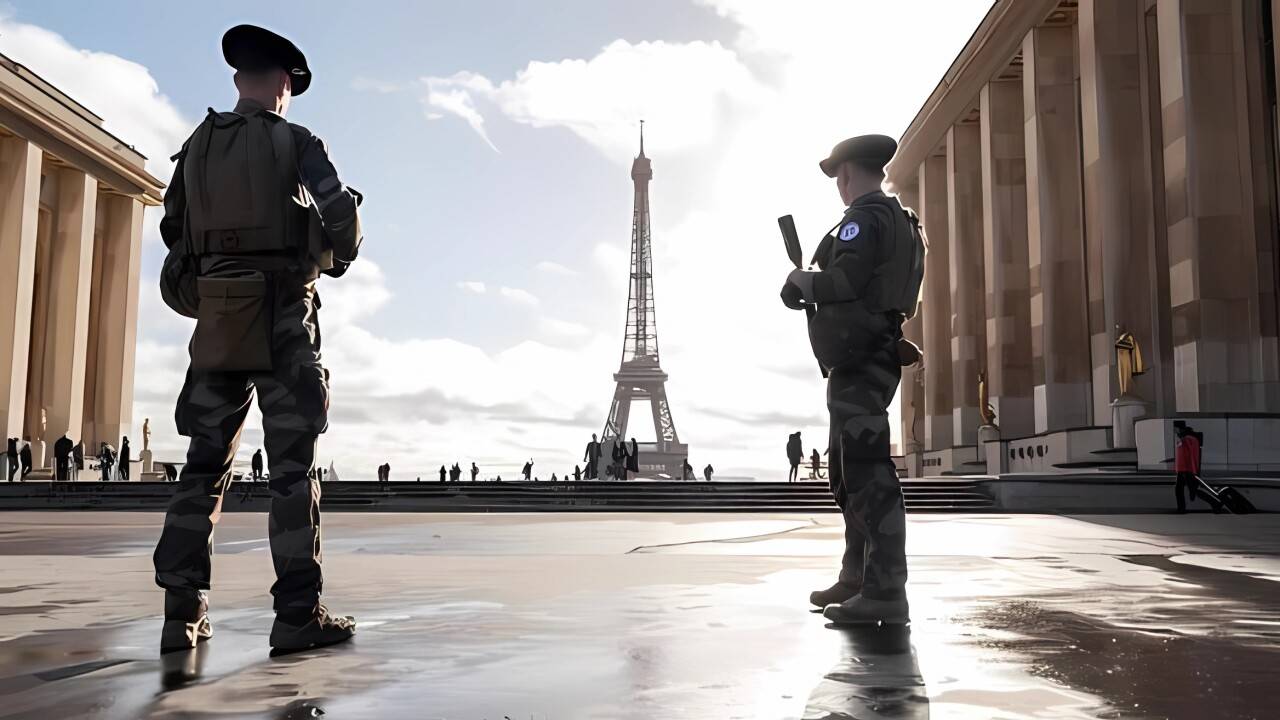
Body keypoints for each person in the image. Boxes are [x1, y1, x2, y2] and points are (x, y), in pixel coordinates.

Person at [152, 24, 361, 656]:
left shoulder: (196, 146)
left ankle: (181, 616)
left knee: (203, 468)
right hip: (282, 316)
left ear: (240, 78)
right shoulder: (296, 141)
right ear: (282, 84)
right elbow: (340, 216)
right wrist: (336, 254)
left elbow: (172, 227)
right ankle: (297, 614)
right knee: (292, 470)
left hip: (218, 314)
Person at [780, 134, 924, 625]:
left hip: (860, 356)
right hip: (876, 352)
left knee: (865, 473)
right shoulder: (904, 221)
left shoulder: (863, 220)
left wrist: (804, 282)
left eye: (837, 178)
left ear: (845, 174)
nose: (838, 187)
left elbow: (846, 284)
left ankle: (884, 591)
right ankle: (858, 576)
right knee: (846, 472)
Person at [1174, 421, 1202, 513]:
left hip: (1185, 469)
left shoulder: (1185, 439)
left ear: (1179, 428)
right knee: (1192, 489)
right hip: (1187, 469)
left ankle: (1181, 509)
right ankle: (1214, 502)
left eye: (1175, 428)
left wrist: (1186, 470)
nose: (1174, 431)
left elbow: (1185, 456)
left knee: (1182, 490)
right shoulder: (1189, 438)